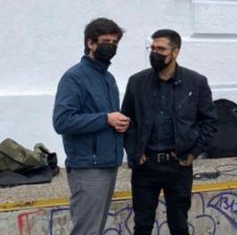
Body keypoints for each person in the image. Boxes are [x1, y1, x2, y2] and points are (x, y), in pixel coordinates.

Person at [121, 29, 218, 235]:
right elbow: (127, 121)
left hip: (178, 165)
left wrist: (193, 153)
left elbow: (209, 121)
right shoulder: (137, 82)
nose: (155, 52)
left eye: (161, 49)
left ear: (175, 52)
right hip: (145, 166)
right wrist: (134, 152)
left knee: (179, 225)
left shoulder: (196, 82)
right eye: (153, 48)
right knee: (143, 224)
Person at [52, 18, 128, 235]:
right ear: (90, 43)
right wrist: (106, 119)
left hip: (108, 164)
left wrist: (119, 123)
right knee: (86, 230)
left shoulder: (108, 78)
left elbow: (107, 118)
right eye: (106, 41)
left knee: (96, 229)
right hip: (87, 168)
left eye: (115, 42)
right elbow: (62, 121)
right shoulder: (74, 77)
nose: (111, 46)